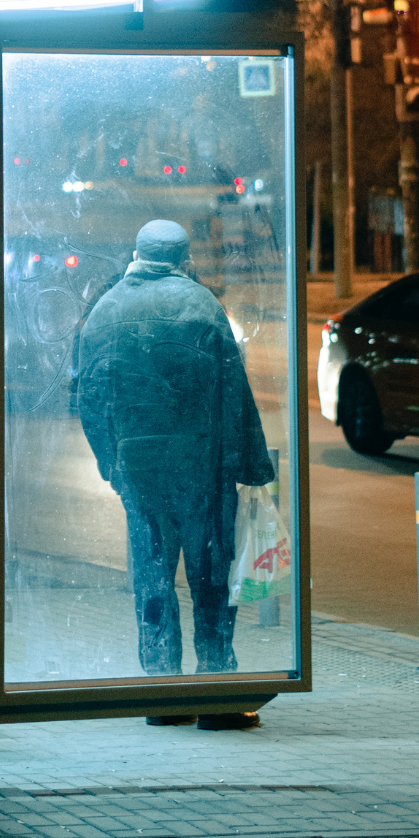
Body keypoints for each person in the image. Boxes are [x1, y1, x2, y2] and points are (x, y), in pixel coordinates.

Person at [77, 218, 274, 688]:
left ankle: (161, 685)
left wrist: (112, 464)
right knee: (210, 576)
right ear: (185, 259)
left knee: (152, 576)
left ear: (137, 255)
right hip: (203, 468)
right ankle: (215, 680)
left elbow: (90, 400)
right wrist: (251, 466)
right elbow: (233, 393)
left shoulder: (105, 311)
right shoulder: (202, 306)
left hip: (139, 468)